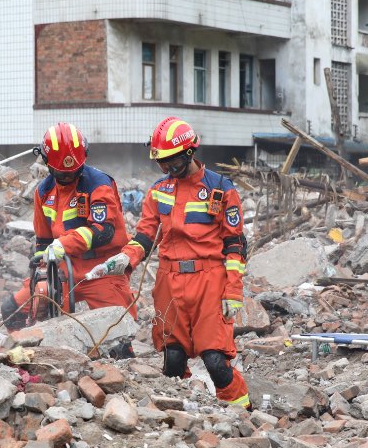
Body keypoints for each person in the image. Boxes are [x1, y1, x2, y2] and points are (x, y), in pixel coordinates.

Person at [87, 117, 251, 409]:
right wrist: (126, 257)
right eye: (160, 163)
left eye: (170, 162)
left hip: (209, 283)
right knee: (173, 359)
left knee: (216, 361)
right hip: (170, 284)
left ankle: (243, 416)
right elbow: (145, 235)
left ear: (189, 153)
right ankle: (178, 418)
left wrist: (233, 292)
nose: (165, 169)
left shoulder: (220, 189)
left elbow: (235, 245)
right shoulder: (159, 190)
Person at [0, 123, 136, 339]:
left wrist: (64, 244)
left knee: (118, 338)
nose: (68, 177)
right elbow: (43, 240)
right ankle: (23, 356)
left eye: (73, 171)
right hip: (62, 270)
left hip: (102, 269)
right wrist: (40, 267)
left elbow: (104, 230)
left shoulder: (98, 184)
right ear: (47, 163)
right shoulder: (44, 192)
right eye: (62, 173)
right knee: (12, 311)